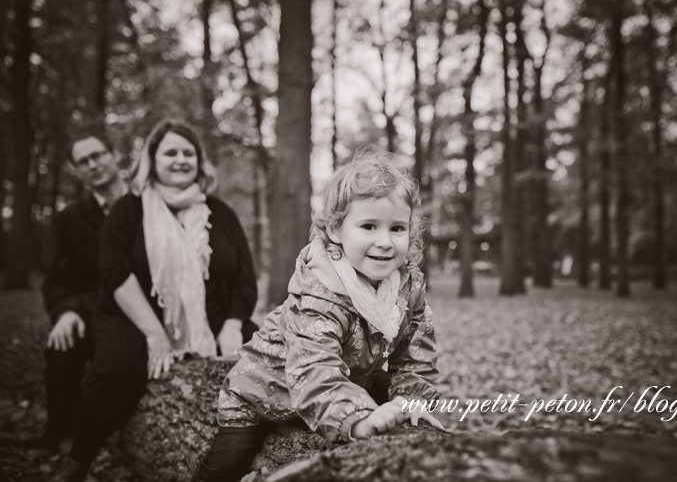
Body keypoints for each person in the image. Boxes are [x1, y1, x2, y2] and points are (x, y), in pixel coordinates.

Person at [192, 149, 443, 482]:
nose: (384, 241)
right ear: (337, 230)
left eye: (397, 228)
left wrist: (411, 401)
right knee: (225, 466)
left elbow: (413, 350)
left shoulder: (405, 284)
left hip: (349, 374)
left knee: (404, 402)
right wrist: (359, 419)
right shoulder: (320, 291)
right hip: (270, 388)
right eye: (369, 226)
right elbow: (314, 367)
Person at [55, 119, 259, 482]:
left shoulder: (220, 211)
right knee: (117, 365)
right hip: (131, 315)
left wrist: (232, 323)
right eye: (170, 153)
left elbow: (244, 275)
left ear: (199, 160)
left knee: (266, 355)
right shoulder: (129, 209)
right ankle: (79, 458)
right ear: (152, 159)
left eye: (188, 153)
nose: (180, 160)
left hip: (215, 317)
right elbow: (115, 271)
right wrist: (155, 333)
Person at [32, 134, 128, 452]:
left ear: (114, 157)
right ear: (77, 171)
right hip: (90, 312)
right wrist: (66, 312)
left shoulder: (149, 203)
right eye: (83, 161)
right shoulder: (69, 219)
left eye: (98, 155)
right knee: (61, 347)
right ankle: (58, 430)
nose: (93, 164)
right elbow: (57, 280)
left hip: (143, 314)